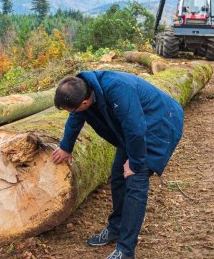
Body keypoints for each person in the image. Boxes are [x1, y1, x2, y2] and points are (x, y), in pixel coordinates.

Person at [52, 71, 183, 259]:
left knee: (135, 182)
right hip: (133, 129)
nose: (71, 114)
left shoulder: (117, 89)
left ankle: (126, 249)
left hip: (159, 124)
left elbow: (137, 130)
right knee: (118, 175)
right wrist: (66, 146)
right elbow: (76, 118)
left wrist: (136, 163)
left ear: (85, 103)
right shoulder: (83, 89)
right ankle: (116, 228)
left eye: (72, 109)